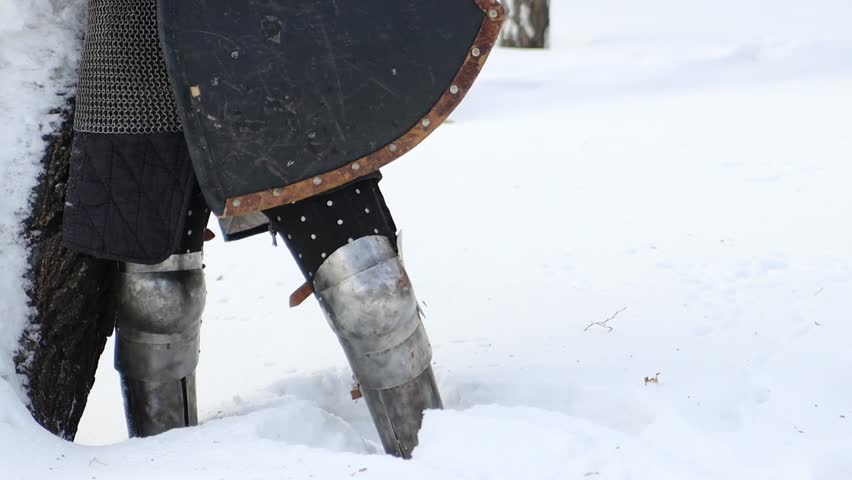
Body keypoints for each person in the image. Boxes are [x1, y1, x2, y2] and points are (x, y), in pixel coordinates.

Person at [62, 0, 454, 458]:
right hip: (136, 36)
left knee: (371, 290)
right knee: (156, 298)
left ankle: (434, 456)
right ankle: (160, 461)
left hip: (268, 33)